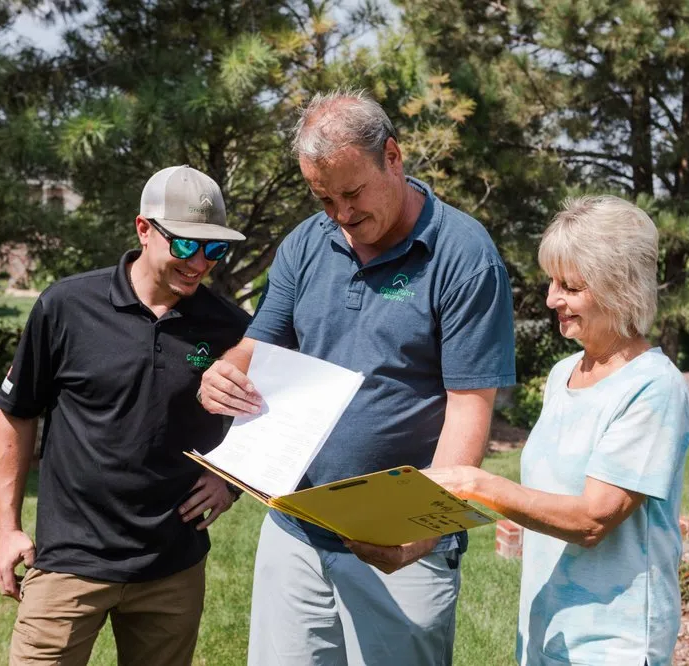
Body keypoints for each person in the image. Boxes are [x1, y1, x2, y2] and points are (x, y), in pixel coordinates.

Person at [198, 90, 516, 665]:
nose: (341, 215)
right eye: (323, 199)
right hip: (294, 528)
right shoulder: (304, 244)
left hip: (400, 541)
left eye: (352, 193)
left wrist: (421, 531)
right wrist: (221, 374)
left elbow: (469, 406)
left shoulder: (464, 256)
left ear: (392, 157)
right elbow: (257, 346)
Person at [0, 165, 251, 666]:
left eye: (214, 249)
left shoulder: (228, 327)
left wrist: (231, 481)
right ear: (143, 229)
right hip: (69, 562)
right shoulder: (66, 307)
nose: (199, 263)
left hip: (172, 568)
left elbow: (268, 415)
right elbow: (16, 415)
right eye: (186, 245)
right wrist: (8, 529)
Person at [426, 195, 689, 666]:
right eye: (553, 282)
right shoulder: (563, 374)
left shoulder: (654, 387)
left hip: (615, 642)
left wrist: (477, 483)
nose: (552, 298)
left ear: (619, 287)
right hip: (547, 630)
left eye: (570, 286)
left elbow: (593, 519)